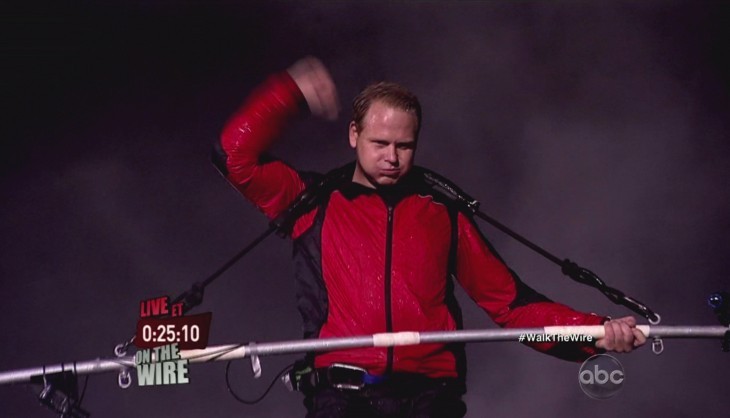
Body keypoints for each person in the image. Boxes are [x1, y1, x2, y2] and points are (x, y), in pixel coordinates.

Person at [215, 57, 647, 418]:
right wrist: (289, 92)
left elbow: (511, 306)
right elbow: (233, 156)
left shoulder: (442, 211)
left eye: (404, 145)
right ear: (353, 135)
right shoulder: (310, 201)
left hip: (430, 401)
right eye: (379, 142)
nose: (391, 157)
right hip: (340, 399)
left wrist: (594, 331)